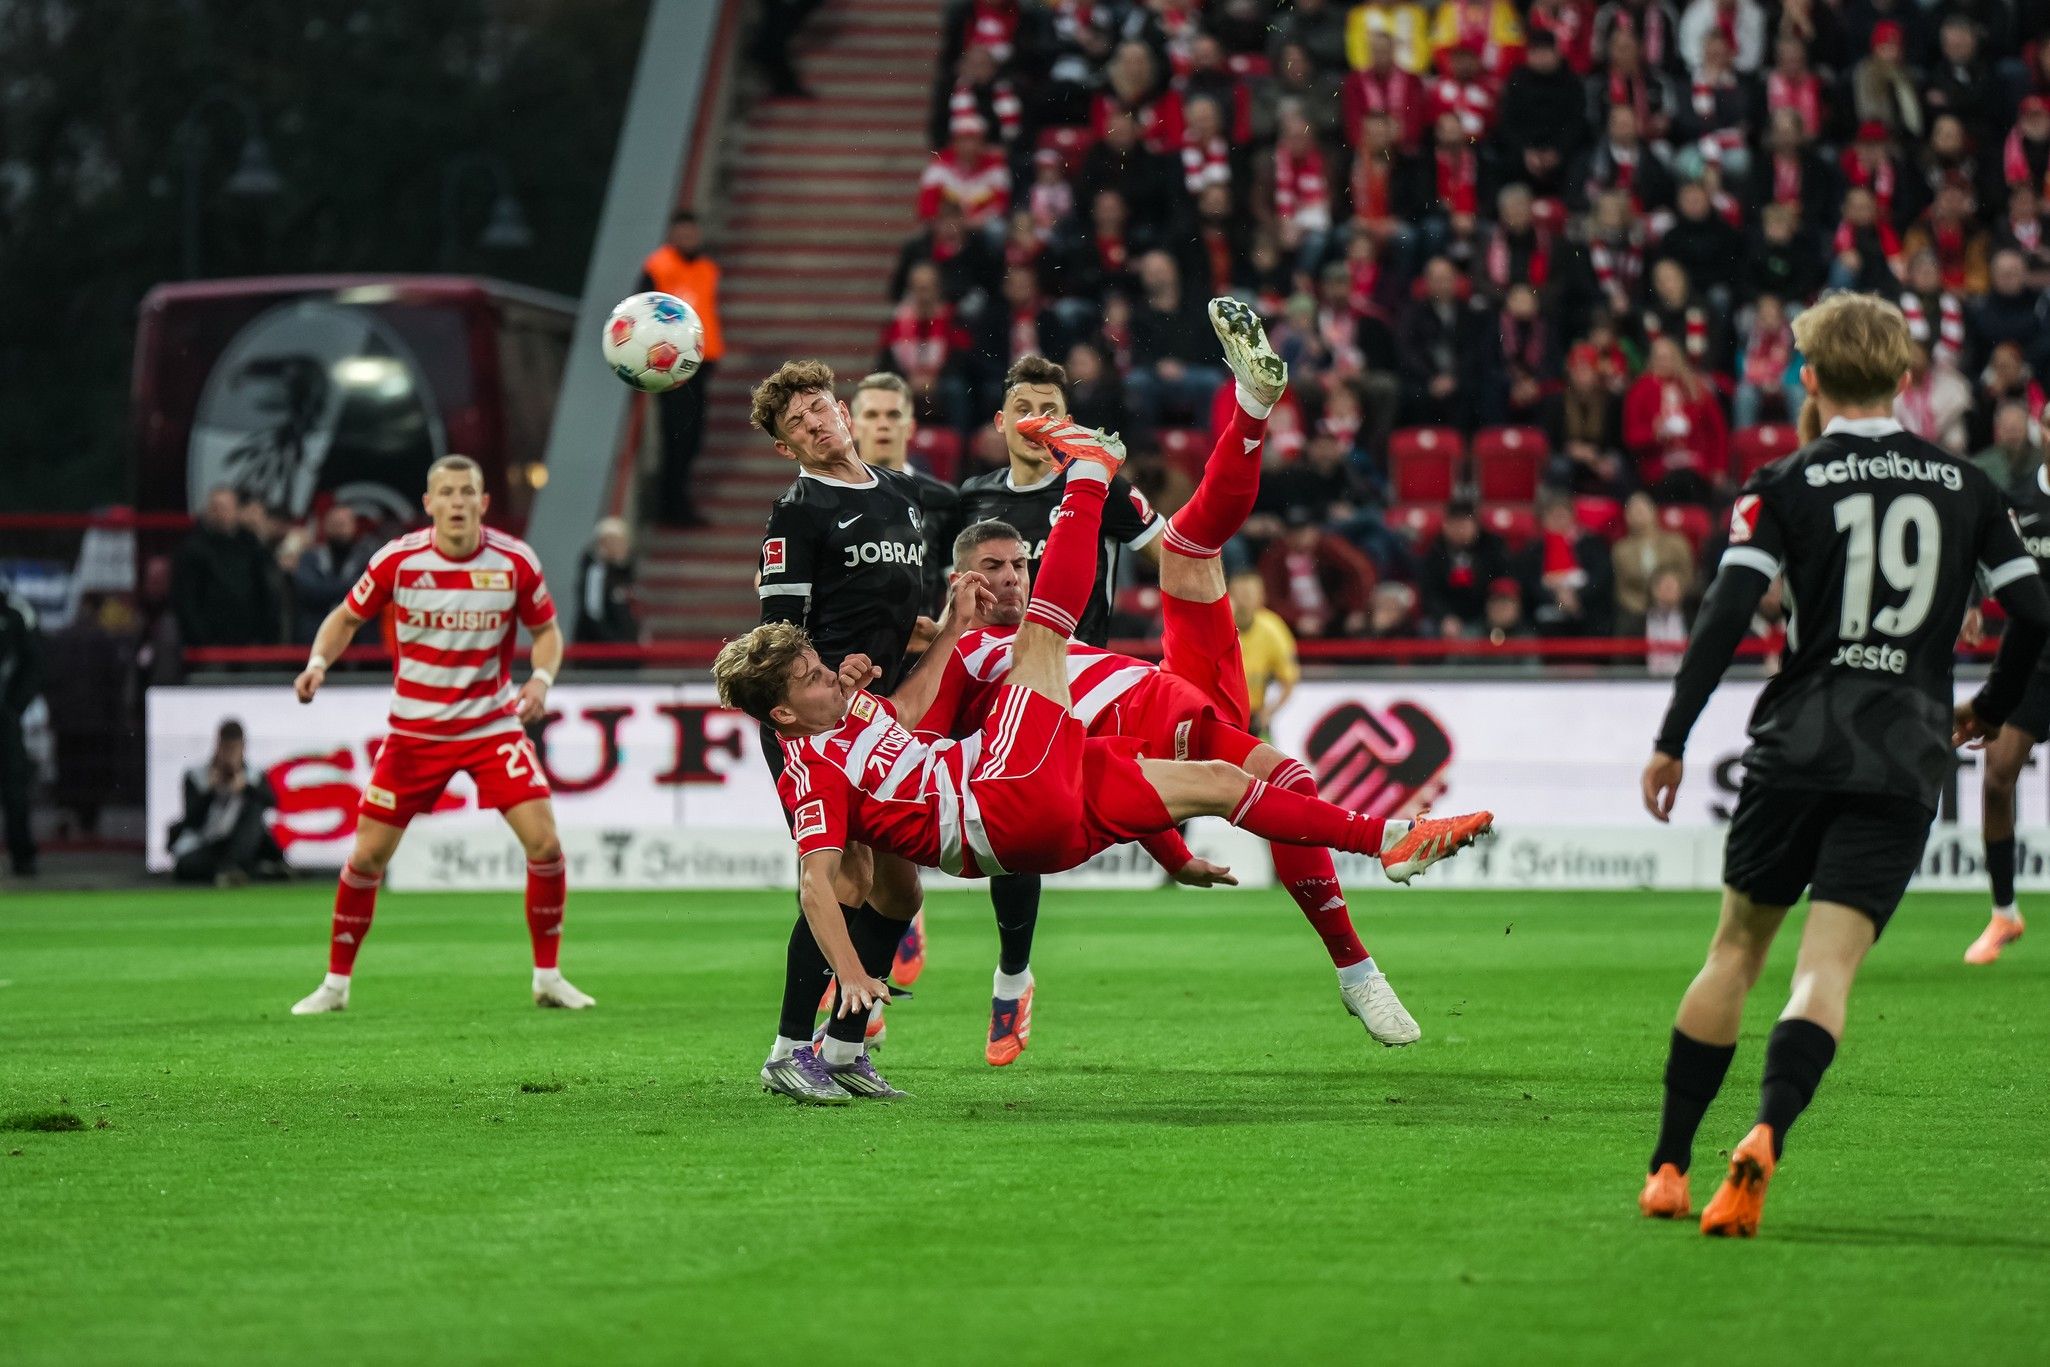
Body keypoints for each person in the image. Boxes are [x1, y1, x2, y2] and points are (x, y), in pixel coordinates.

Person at [715, 411, 1489, 1091]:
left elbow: (907, 721)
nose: (1008, 578)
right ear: (784, 711)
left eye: (1019, 564)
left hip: (1044, 792)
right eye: (994, 567)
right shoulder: (821, 758)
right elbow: (818, 878)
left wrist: (1173, 857)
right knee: (1051, 633)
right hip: (1000, 799)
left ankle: (1386, 840)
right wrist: (850, 971)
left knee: (1220, 780)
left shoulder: (860, 711)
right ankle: (1089, 473)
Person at [1636, 294, 2050, 1237]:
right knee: (1825, 975)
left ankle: (1668, 1164)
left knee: (1735, 950)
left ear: (1809, 378)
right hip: (1906, 751)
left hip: (1799, 738)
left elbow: (1726, 611)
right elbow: (2034, 614)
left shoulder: (1782, 480)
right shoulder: (1970, 486)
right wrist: (1987, 707)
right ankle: (1769, 1129)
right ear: (1906, 380)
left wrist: (1673, 735)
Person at [286, 455, 594, 1015]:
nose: (457, 502)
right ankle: (334, 985)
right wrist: (317, 664)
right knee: (367, 858)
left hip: (490, 726)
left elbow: (546, 631)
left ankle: (548, 977)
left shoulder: (513, 562)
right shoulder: (398, 560)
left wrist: (542, 679)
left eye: (466, 492)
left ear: (483, 502)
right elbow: (345, 617)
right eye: (446, 493)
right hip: (414, 732)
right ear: (429, 504)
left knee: (545, 845)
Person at [950, 353, 1166, 1062]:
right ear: (1001, 421)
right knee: (1009, 836)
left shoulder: (1097, 484)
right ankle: (1006, 976)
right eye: (1023, 407)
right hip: (992, 685)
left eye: (1049, 408)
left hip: (1080, 684)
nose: (1034, 420)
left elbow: (1171, 552)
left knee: (1145, 794)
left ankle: (1186, 854)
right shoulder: (972, 499)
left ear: (1066, 423)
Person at [750, 359, 935, 1101]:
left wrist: (930, 630)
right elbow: (775, 637)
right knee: (847, 874)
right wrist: (828, 677)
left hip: (876, 719)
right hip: (815, 720)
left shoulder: (901, 500)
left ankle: (847, 1046)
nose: (816, 424)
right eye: (797, 423)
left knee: (902, 890)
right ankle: (790, 1049)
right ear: (785, 446)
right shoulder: (797, 511)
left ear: (845, 410)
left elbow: (892, 614)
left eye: (821, 408)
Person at [1967, 404, 2050, 966]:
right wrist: (1972, 600)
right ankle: (2004, 913)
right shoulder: (2019, 498)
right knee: (1997, 777)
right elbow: (1980, 553)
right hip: (2033, 660)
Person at [850, 371, 961, 621]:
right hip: (845, 651)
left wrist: (942, 631)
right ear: (853, 428)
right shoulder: (827, 494)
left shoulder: (942, 499)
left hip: (920, 649)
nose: (883, 424)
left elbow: (960, 580)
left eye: (893, 415)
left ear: (910, 427)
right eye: (871, 415)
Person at [638, 210, 726, 528]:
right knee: (676, 437)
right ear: (672, 235)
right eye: (682, 233)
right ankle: (671, 507)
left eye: (692, 232)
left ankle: (677, 503)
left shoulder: (707, 267)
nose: (688, 238)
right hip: (669, 366)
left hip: (701, 362)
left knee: (693, 437)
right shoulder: (657, 268)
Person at [166, 720, 285, 885]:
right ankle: (239, 870)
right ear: (218, 747)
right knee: (186, 865)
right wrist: (210, 793)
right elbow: (192, 821)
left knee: (255, 809)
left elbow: (272, 803)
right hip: (207, 843)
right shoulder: (197, 776)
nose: (230, 756)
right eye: (226, 749)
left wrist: (246, 789)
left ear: (243, 749)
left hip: (240, 843)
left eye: (234, 750)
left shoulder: (253, 777)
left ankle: (231, 868)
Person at [173, 486, 279, 648]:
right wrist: (201, 639)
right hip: (207, 646)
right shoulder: (192, 548)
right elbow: (185, 599)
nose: (219, 513)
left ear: (237, 512)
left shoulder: (251, 546)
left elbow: (267, 591)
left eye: (224, 508)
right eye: (214, 507)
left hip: (250, 642)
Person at [0, 578, 41, 877]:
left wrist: (14, 705)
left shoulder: (15, 611)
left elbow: (36, 663)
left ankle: (23, 855)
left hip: (4, 715)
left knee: (15, 786)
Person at [290, 505, 374, 644]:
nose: (339, 529)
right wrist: (351, 587)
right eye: (334, 524)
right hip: (314, 638)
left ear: (354, 526)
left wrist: (327, 588)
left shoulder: (367, 558)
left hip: (357, 641)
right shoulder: (311, 558)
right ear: (325, 526)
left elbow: (370, 591)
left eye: (343, 524)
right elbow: (310, 591)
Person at [1230, 569, 1298, 738]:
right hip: (1222, 715)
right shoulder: (1216, 625)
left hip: (1255, 716)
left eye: (1251, 594)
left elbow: (1289, 679)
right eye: (1241, 594)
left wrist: (1268, 712)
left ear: (1262, 597)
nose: (1246, 601)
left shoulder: (1273, 629)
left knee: (1265, 762)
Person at [574, 517, 640, 645]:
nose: (624, 547)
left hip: (626, 652)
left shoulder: (624, 575)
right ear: (603, 543)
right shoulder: (596, 572)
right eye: (618, 542)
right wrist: (615, 643)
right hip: (602, 654)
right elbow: (593, 613)